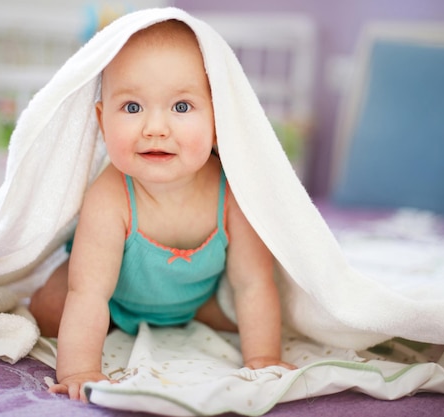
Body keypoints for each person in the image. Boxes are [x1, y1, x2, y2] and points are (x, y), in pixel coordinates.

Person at [28, 19, 295, 402]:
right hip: (114, 301)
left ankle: (183, 320)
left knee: (249, 316)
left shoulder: (233, 194)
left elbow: (252, 283)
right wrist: (80, 369)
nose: (155, 127)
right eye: (132, 106)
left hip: (196, 301)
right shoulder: (111, 196)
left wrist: (264, 358)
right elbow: (88, 292)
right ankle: (115, 327)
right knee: (50, 307)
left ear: (219, 120)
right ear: (103, 122)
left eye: (181, 106)